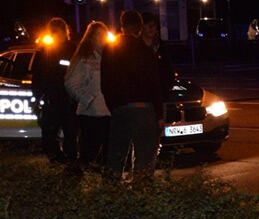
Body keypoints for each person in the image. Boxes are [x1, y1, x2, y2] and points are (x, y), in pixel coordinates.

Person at [101, 10, 162, 180]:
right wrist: (159, 114)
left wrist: (113, 106)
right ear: (139, 28)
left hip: (120, 109)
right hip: (144, 109)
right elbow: (154, 85)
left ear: (122, 27)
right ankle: (140, 198)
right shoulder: (145, 51)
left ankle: (110, 196)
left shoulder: (110, 49)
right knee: (144, 159)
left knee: (116, 157)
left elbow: (105, 82)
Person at [64, 21, 111, 171]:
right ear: (91, 37)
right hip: (91, 114)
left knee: (107, 155)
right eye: (99, 35)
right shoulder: (85, 59)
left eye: (104, 35)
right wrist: (88, 100)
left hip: (108, 112)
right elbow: (71, 83)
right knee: (88, 154)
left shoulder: (108, 57)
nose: (102, 39)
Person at [32, 17, 79, 164]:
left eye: (57, 32)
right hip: (52, 99)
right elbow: (37, 76)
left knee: (70, 134)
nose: (55, 35)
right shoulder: (44, 52)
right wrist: (37, 97)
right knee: (48, 134)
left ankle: (70, 162)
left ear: (64, 32)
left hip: (68, 99)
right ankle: (58, 159)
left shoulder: (73, 50)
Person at [141, 12, 175, 96]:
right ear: (141, 27)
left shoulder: (162, 47)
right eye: (147, 24)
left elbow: (168, 69)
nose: (151, 27)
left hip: (160, 94)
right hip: (141, 95)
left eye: (154, 25)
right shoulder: (136, 48)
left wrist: (167, 86)